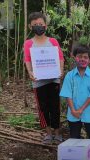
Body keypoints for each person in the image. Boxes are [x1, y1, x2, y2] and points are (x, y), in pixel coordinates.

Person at [60, 44, 90, 160]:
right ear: (75, 58)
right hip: (73, 111)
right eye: (79, 56)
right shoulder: (69, 75)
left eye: (85, 57)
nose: (82, 59)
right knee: (74, 136)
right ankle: (77, 157)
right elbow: (67, 94)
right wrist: (74, 110)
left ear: (89, 60)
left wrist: (81, 109)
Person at [23, 12, 64, 143]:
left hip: (54, 80)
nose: (38, 26)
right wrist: (30, 72)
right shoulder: (28, 43)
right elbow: (27, 59)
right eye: (35, 25)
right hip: (38, 81)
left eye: (40, 24)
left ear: (45, 25)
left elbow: (60, 58)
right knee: (43, 107)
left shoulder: (52, 41)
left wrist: (61, 70)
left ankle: (57, 133)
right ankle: (48, 133)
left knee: (55, 106)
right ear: (30, 26)